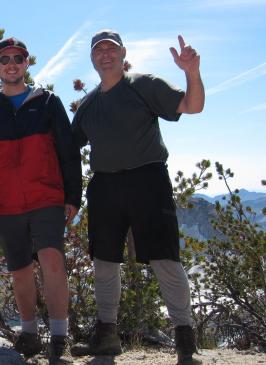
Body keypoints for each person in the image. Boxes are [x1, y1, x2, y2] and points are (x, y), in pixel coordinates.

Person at [70, 30, 204, 365]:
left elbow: (193, 106)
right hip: (104, 186)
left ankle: (185, 338)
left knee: (165, 259)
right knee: (104, 261)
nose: (105, 55)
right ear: (92, 58)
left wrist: (191, 72)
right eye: (98, 50)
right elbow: (66, 149)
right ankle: (108, 336)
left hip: (148, 178)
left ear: (123, 53)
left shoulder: (143, 85)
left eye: (111, 49)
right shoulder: (88, 106)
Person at [0, 37, 82, 364]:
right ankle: (30, 334)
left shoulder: (47, 102)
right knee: (19, 271)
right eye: (5, 59)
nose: (12, 64)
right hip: (7, 206)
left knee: (52, 262)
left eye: (18, 58)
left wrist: (73, 195)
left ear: (27, 63)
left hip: (46, 196)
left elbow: (67, 151)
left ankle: (60, 335)